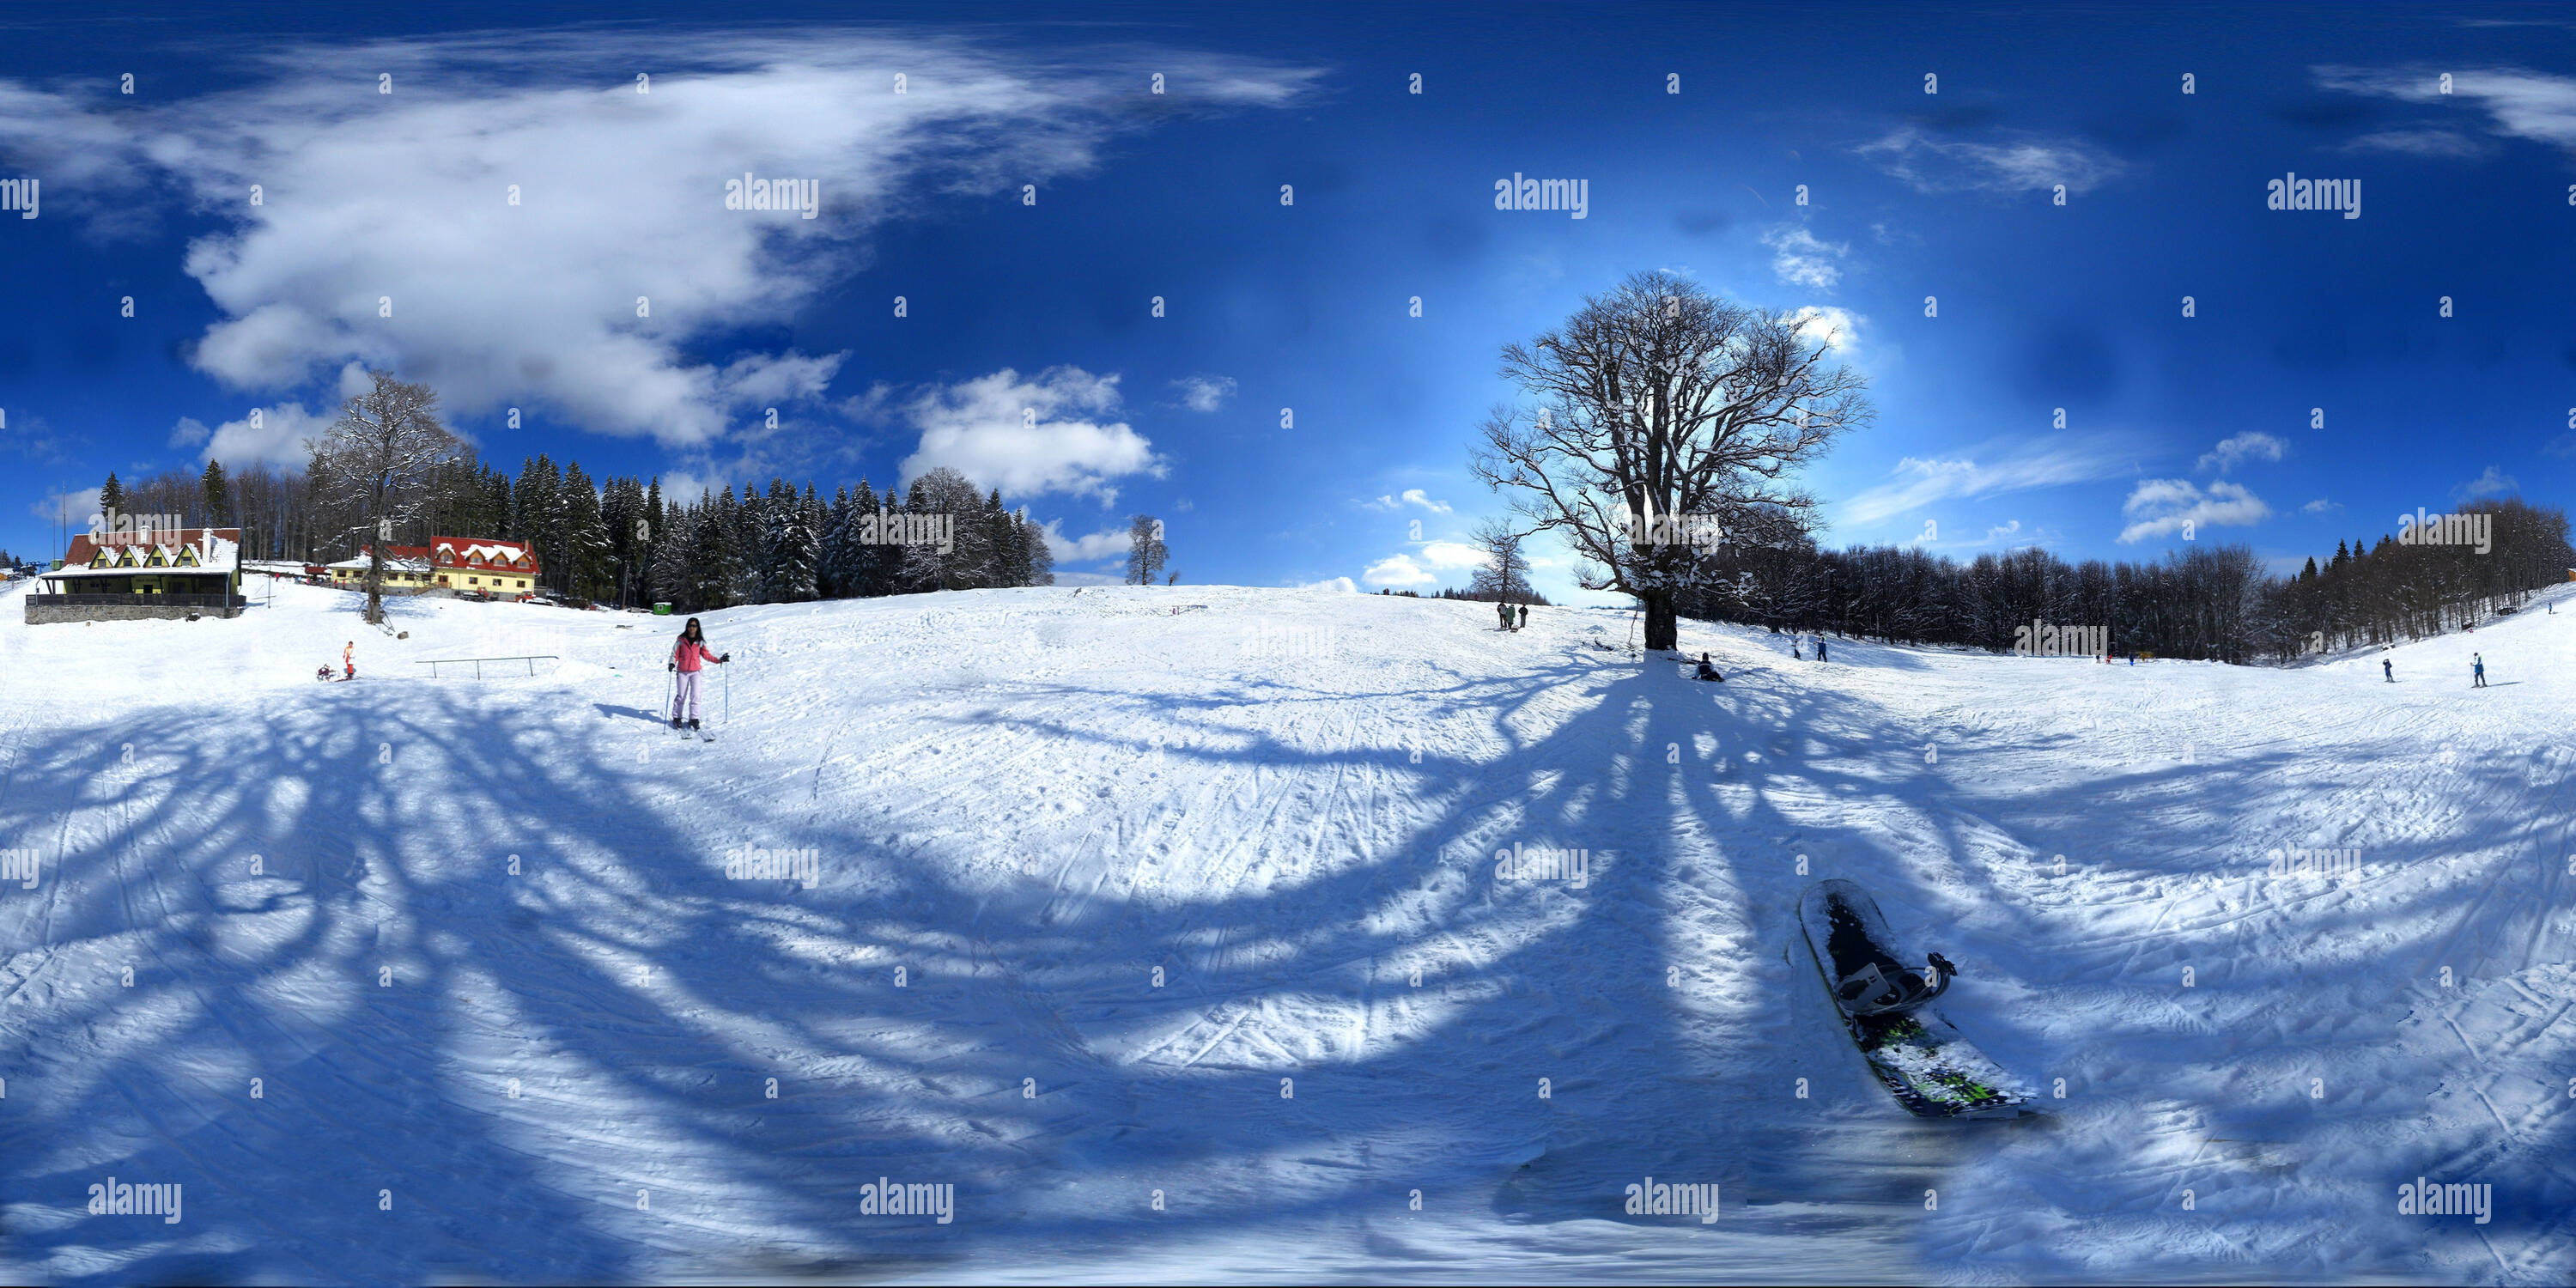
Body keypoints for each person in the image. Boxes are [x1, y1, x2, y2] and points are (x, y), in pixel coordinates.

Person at [668, 617, 731, 729]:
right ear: (687, 627)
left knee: (696, 696)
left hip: (696, 672)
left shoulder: (700, 642)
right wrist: (672, 663)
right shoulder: (681, 640)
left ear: (697, 628)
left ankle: (694, 718)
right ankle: (677, 717)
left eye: (694, 626)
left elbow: (707, 655)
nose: (692, 628)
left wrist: (719, 660)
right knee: (681, 696)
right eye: (690, 626)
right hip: (682, 672)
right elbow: (674, 654)